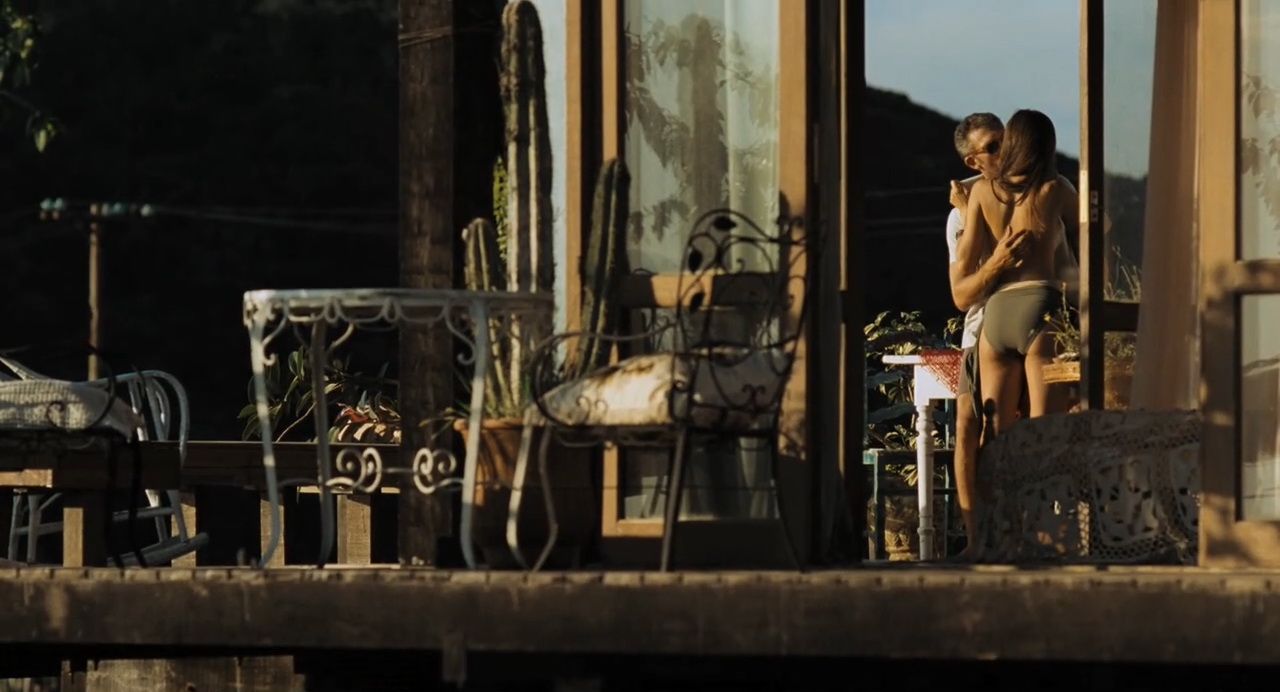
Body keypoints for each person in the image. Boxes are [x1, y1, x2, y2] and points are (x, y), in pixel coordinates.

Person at [955, 109, 1079, 440]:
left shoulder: (982, 192)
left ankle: (995, 477)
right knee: (1044, 432)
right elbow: (1100, 230)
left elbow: (964, 266)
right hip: (1041, 307)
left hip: (997, 313)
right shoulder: (1055, 188)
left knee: (995, 432)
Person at [944, 112, 1025, 558]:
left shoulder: (1036, 189)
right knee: (968, 425)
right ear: (974, 161)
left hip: (1031, 323)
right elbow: (964, 292)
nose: (1005, 150)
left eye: (1006, 140)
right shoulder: (961, 216)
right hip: (982, 327)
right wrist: (967, 215)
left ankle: (1018, 531)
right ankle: (977, 537)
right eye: (993, 147)